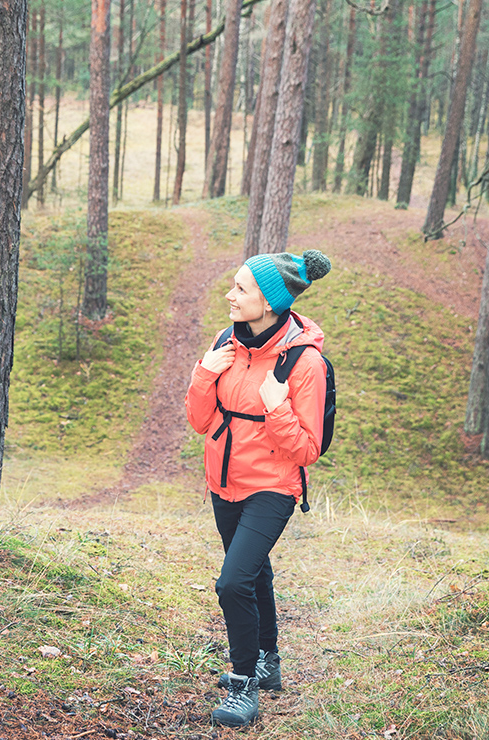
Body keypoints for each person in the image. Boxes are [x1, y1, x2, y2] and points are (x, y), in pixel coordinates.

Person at [184, 250, 331, 727]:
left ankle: (245, 683)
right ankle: (269, 662)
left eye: (241, 288)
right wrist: (206, 371)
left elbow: (307, 449)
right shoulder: (226, 341)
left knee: (232, 583)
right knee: (254, 574)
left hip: (273, 486)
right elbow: (199, 421)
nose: (230, 294)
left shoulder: (305, 362)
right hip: (223, 481)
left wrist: (276, 406)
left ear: (269, 302)